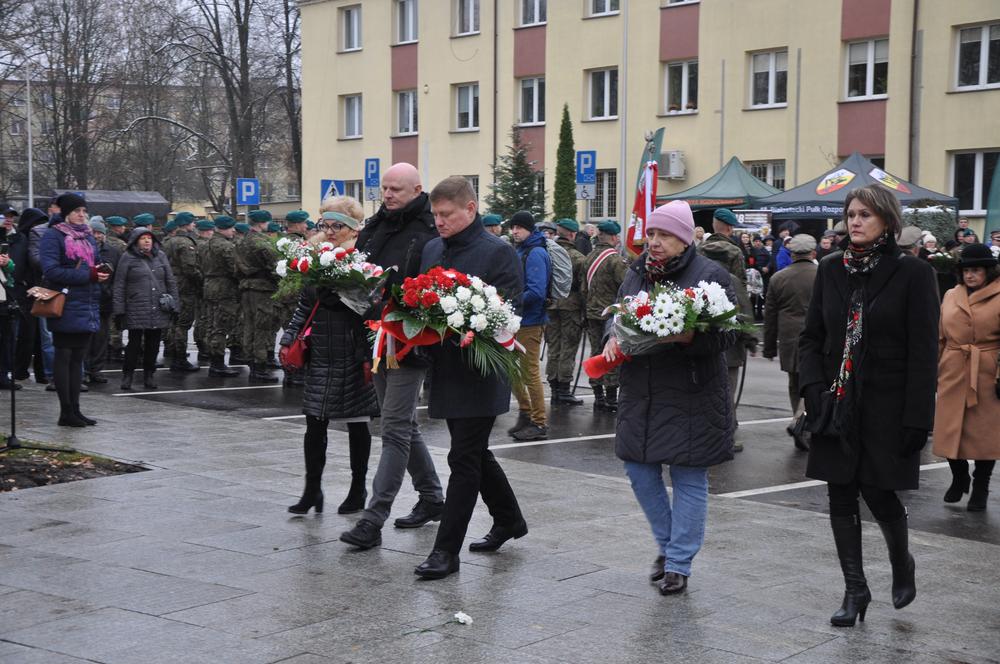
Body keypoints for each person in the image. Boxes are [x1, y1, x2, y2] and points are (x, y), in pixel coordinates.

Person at [799, 184, 939, 627]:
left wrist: (918, 417)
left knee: (879, 492)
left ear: (887, 221)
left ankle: (902, 562)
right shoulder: (830, 269)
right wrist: (814, 389)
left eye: (865, 214)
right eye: (851, 214)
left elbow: (923, 352)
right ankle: (855, 590)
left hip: (887, 403)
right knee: (839, 492)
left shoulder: (913, 274)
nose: (855, 222)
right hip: (835, 401)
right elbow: (812, 337)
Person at [602, 200, 736, 595]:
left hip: (691, 393)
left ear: (684, 239)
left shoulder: (711, 275)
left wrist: (691, 336)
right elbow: (618, 314)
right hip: (641, 392)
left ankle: (678, 562)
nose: (655, 243)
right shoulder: (637, 272)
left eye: (665, 235)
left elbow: (729, 334)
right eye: (652, 234)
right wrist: (612, 335)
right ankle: (668, 545)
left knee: (689, 476)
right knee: (638, 471)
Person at [412, 176, 527, 580]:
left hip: (481, 370)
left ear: (470, 209)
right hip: (445, 369)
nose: (439, 222)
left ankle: (446, 552)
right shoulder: (432, 248)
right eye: (435, 215)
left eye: (446, 215)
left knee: (462, 457)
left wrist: (470, 328)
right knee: (474, 452)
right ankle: (509, 519)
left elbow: (510, 314)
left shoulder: (498, 253)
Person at [339, 162, 445, 550]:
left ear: (417, 189)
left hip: (407, 339)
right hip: (372, 334)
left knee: (394, 430)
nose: (387, 195)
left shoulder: (429, 231)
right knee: (399, 423)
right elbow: (361, 270)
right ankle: (432, 496)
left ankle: (373, 517)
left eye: (396, 189)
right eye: (384, 188)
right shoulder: (375, 225)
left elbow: (428, 283)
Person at [280, 203, 380, 517]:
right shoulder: (315, 258)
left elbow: (371, 307)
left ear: (353, 228)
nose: (332, 232)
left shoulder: (361, 260)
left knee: (357, 421)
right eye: (328, 225)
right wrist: (289, 336)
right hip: (320, 351)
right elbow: (303, 307)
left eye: (339, 227)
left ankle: (357, 488)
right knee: (314, 422)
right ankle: (312, 490)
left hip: (353, 352)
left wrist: (347, 301)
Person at [932, 243, 999, 511]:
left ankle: (980, 486)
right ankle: (959, 477)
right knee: (948, 429)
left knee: (986, 435)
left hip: (987, 372)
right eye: (966, 270)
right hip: (953, 367)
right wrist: (932, 368)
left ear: (989, 271)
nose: (970, 275)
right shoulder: (951, 295)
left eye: (976, 270)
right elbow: (939, 334)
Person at [38, 193, 109, 426]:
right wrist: (88, 274)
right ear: (66, 213)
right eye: (77, 211)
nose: (82, 215)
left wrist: (101, 271)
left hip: (87, 302)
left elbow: (94, 264)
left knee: (78, 358)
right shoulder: (53, 235)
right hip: (65, 303)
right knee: (64, 355)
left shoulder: (88, 237)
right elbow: (51, 271)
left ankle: (76, 410)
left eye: (84, 211)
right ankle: (65, 411)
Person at [699, 207, 755, 448]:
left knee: (703, 385)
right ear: (730, 228)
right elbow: (740, 297)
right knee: (726, 387)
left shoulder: (697, 251)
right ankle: (725, 435)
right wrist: (749, 337)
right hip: (728, 330)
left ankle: (703, 430)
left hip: (700, 331)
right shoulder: (735, 255)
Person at [763, 233, 817, 451]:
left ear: (792, 254)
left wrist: (768, 348)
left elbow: (770, 315)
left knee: (795, 384)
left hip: (788, 337)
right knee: (815, 383)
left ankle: (800, 422)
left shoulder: (778, 278)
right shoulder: (823, 274)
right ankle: (802, 423)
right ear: (813, 253)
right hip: (816, 336)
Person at [113, 227, 179, 390]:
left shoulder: (161, 256)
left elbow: (170, 281)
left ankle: (149, 375)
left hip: (158, 307)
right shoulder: (127, 258)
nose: (147, 241)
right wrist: (119, 309)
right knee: (134, 343)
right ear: (136, 241)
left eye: (149, 238)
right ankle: (127, 375)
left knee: (154, 343)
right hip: (136, 306)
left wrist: (175, 305)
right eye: (143, 238)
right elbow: (119, 285)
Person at [507, 210, 551, 441]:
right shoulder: (521, 250)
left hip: (531, 322)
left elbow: (536, 291)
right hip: (516, 320)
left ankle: (539, 422)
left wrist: (509, 302)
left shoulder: (534, 253)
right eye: (513, 227)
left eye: (519, 228)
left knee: (529, 372)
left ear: (530, 229)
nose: (515, 231)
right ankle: (525, 413)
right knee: (512, 370)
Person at [584, 220, 628, 412]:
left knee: (595, 351)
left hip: (591, 312)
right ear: (612, 237)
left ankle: (598, 397)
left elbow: (582, 287)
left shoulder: (588, 257)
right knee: (610, 353)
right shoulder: (615, 260)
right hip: (610, 314)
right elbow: (626, 285)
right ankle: (611, 397)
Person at [234, 209, 281, 383]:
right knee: (262, 327)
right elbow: (276, 267)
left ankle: (252, 363)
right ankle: (259, 365)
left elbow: (236, 269)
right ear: (262, 223)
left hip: (246, 287)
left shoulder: (241, 241)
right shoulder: (263, 242)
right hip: (263, 289)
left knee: (249, 326)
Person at [545, 218, 587, 406]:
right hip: (571, 306)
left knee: (553, 348)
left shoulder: (548, 254)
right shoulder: (579, 258)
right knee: (568, 348)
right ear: (572, 235)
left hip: (551, 305)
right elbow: (584, 288)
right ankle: (563, 390)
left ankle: (554, 388)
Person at [199, 215, 242, 377]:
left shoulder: (205, 244)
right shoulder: (226, 246)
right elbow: (235, 269)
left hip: (209, 285)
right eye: (231, 228)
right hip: (224, 288)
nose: (233, 231)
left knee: (211, 324)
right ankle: (218, 363)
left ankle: (214, 360)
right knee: (221, 326)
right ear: (224, 228)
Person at [83, 219, 122, 384]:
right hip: (86, 299)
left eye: (100, 233)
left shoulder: (113, 252)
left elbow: (118, 276)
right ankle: (83, 370)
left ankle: (96, 370)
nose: (97, 236)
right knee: (86, 338)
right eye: (95, 232)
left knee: (101, 338)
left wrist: (111, 292)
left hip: (105, 301)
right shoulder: (82, 249)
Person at [162, 212, 201, 372]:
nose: (194, 225)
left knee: (173, 322)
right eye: (192, 222)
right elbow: (189, 268)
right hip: (184, 287)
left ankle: (172, 351)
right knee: (183, 324)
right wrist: (201, 279)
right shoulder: (185, 243)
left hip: (171, 285)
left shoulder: (169, 241)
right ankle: (180, 358)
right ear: (186, 224)